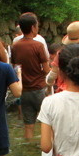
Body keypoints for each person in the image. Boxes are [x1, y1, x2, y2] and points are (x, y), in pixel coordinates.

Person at [10, 12, 51, 141]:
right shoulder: (38, 46)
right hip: (39, 89)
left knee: (28, 126)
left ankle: (29, 149)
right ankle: (47, 149)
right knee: (48, 122)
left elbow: (14, 68)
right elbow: (46, 69)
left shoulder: (15, 46)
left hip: (24, 91)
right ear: (33, 27)